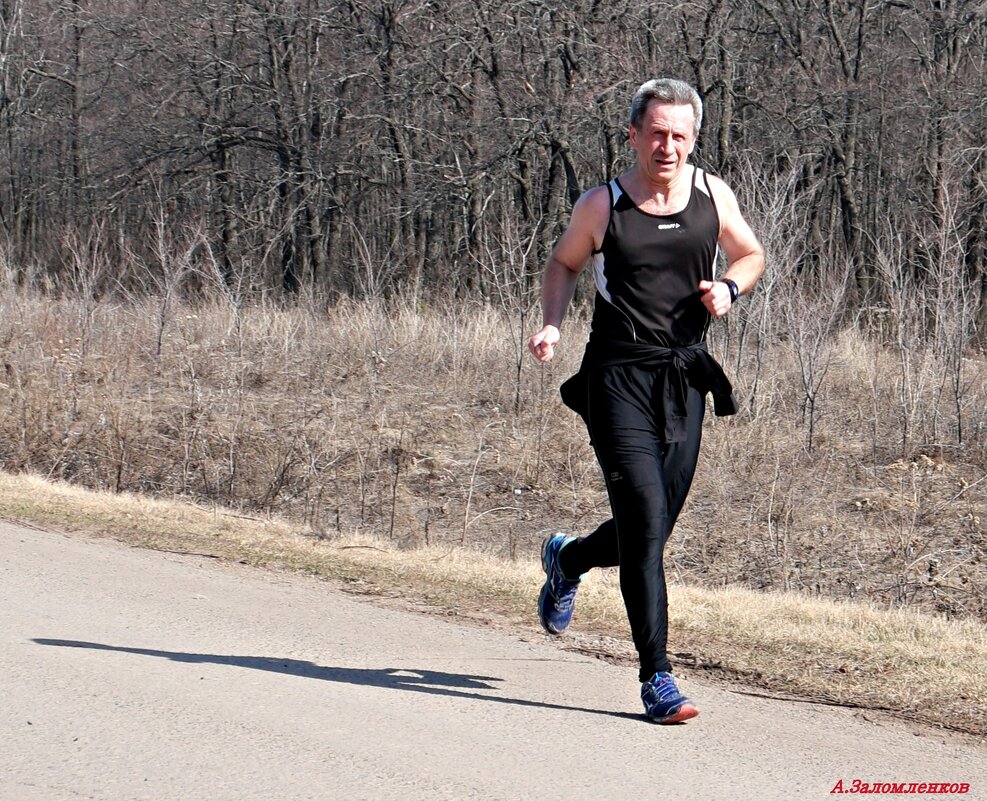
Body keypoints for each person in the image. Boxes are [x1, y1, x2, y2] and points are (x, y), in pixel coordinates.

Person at [527, 78, 764, 724]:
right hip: (615, 379)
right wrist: (551, 322)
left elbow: (750, 254)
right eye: (655, 133)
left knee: (647, 528)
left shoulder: (713, 195)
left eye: (678, 135)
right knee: (645, 523)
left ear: (693, 139)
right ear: (632, 134)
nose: (666, 146)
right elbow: (561, 266)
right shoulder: (602, 206)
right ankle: (656, 676)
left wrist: (730, 291)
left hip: (682, 380)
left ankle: (567, 557)